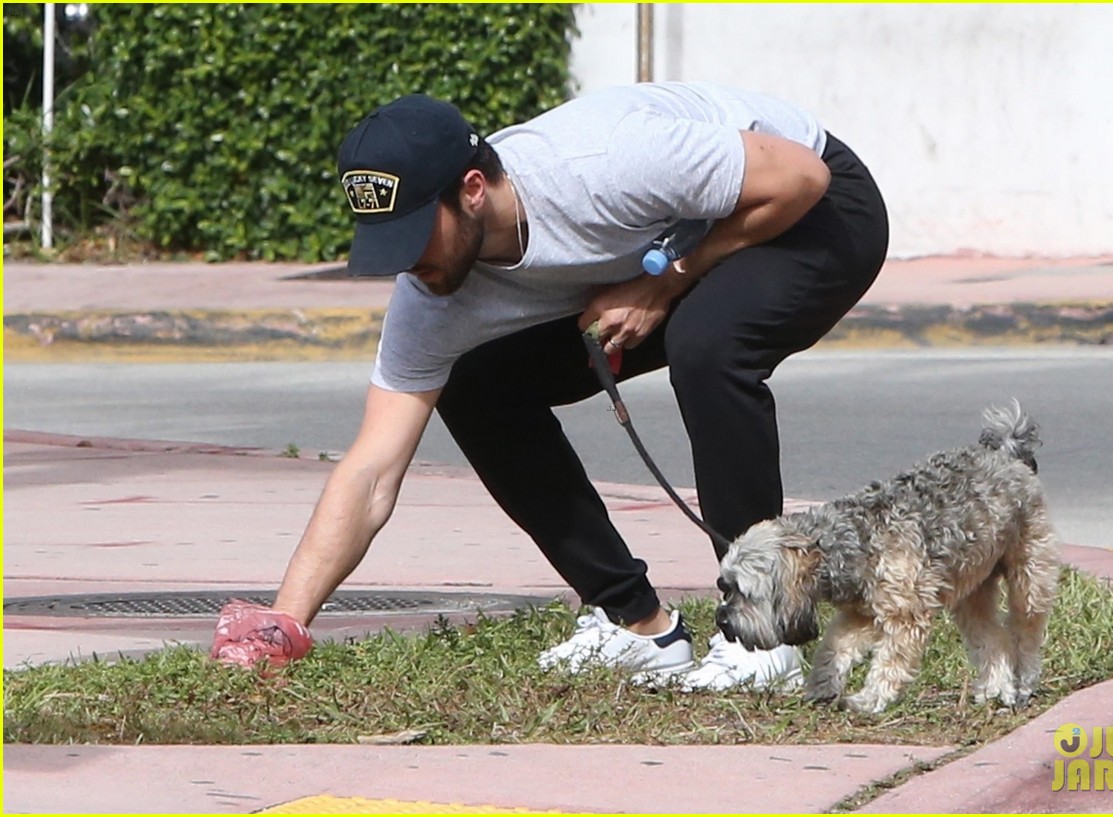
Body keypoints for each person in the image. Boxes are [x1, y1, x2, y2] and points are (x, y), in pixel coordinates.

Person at [210, 81, 889, 690]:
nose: (408, 265)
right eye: (387, 244)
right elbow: (371, 470)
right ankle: (636, 625)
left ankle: (763, 634)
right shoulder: (430, 299)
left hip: (814, 210)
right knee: (474, 383)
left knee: (707, 344)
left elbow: (801, 177)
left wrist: (662, 282)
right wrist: (283, 622)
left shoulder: (601, 164)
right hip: (670, 252)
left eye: (415, 236)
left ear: (472, 189)